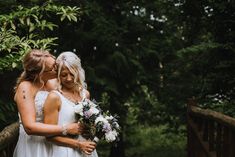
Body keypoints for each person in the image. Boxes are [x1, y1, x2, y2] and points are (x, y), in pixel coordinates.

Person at [13, 49, 83, 157]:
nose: (57, 69)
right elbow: (29, 127)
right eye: (53, 68)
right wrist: (66, 128)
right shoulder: (25, 88)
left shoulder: (53, 82)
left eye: (55, 64)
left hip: (56, 142)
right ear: (39, 73)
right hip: (35, 145)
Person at [43, 51, 98, 157]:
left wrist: (92, 130)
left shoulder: (85, 94)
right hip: (64, 151)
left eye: (72, 74)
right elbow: (48, 136)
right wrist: (78, 144)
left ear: (78, 71)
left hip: (86, 150)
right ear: (58, 75)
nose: (68, 78)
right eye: (64, 75)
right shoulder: (54, 97)